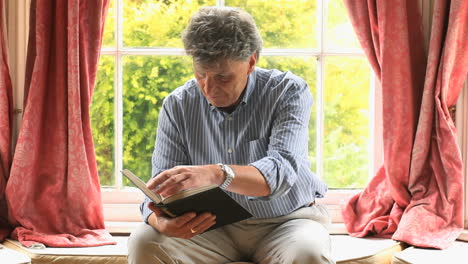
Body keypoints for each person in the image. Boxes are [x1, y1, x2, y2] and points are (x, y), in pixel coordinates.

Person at [127, 6, 334, 264]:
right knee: (144, 242)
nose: (209, 88)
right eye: (201, 75)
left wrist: (216, 173)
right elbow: (157, 190)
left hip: (287, 224)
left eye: (223, 77)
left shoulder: (288, 92)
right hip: (211, 229)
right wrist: (160, 221)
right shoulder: (178, 104)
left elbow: (281, 173)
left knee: (309, 252)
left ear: (251, 62)